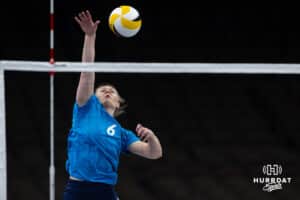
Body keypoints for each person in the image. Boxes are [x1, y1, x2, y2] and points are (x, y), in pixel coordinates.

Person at [63, 10, 163, 200]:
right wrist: (90, 36)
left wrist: (151, 137)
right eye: (102, 90)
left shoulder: (122, 134)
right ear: (94, 97)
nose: (107, 90)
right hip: (77, 190)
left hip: (104, 192)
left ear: (118, 103)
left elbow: (154, 153)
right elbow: (86, 72)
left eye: (112, 91)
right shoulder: (85, 109)